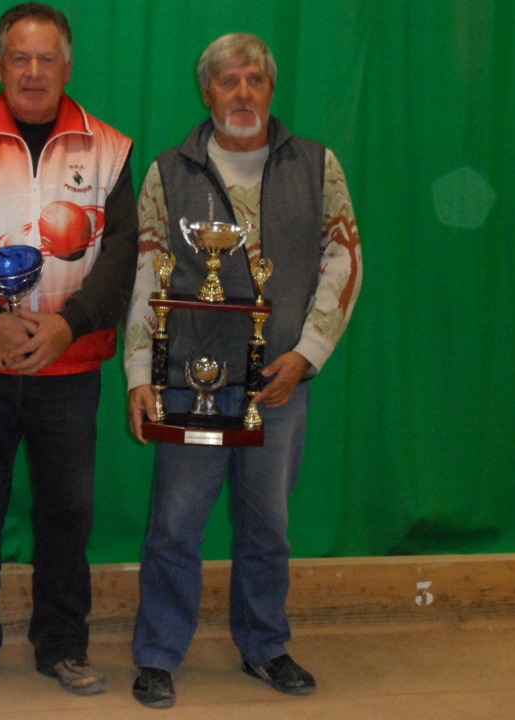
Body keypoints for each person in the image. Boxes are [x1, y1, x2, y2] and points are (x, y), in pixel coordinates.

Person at [123, 33, 362, 709]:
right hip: (189, 380)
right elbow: (144, 273)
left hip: (279, 382)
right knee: (173, 525)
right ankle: (158, 654)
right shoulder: (169, 172)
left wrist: (306, 354)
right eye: (228, 81)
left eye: (254, 79)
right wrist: (140, 374)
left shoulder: (318, 165)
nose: (242, 92)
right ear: (207, 92)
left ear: (271, 89)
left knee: (269, 527)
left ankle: (265, 644)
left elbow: (344, 261)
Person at [0, 3, 137, 702]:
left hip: (70, 369)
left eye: (47, 59)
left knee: (68, 514)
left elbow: (124, 254)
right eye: (20, 58)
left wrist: (70, 325)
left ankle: (63, 647)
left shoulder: (110, 148)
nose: (34, 72)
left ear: (68, 66)